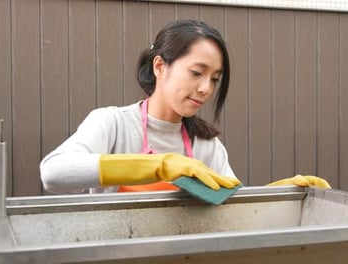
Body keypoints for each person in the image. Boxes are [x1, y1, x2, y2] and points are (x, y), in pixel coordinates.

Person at [40, 20, 241, 194]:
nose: (206, 88)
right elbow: (52, 173)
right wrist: (160, 166)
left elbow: (234, 209)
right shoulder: (114, 125)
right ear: (159, 67)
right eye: (196, 72)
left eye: (215, 79)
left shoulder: (207, 145)